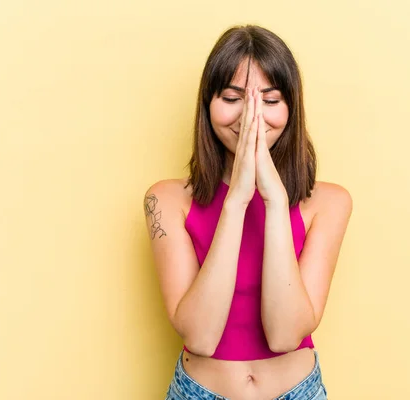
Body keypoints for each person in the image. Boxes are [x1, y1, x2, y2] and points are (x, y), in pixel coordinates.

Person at [144, 24, 352, 400]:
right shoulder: (165, 200)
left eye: (269, 101)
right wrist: (237, 199)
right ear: (208, 104)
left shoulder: (330, 202)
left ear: (291, 108)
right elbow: (201, 337)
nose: (250, 116)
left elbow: (285, 335)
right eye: (232, 97)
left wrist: (273, 200)